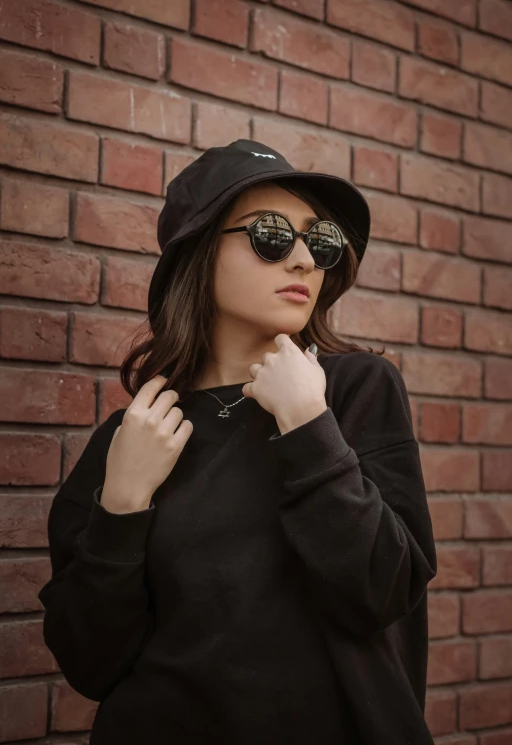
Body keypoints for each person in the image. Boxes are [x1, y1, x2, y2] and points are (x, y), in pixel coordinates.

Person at [38, 139, 437, 745]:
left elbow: (385, 592)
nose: (304, 260)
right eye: (272, 235)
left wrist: (309, 426)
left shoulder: (355, 389)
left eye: (320, 240)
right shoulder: (133, 436)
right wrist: (121, 506)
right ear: (198, 252)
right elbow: (91, 665)